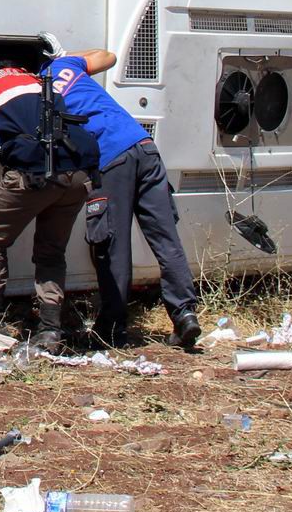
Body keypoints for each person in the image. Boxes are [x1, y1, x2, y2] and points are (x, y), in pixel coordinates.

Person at [46, 46, 202, 351]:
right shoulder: (66, 66)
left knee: (112, 245)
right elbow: (108, 56)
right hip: (145, 147)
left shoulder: (37, 85)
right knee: (165, 237)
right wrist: (66, 56)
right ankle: (184, 314)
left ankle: (113, 329)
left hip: (110, 159)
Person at [0, 55, 95, 353]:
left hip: (34, 174)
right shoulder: (30, 78)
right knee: (51, 251)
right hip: (78, 171)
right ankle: (51, 329)